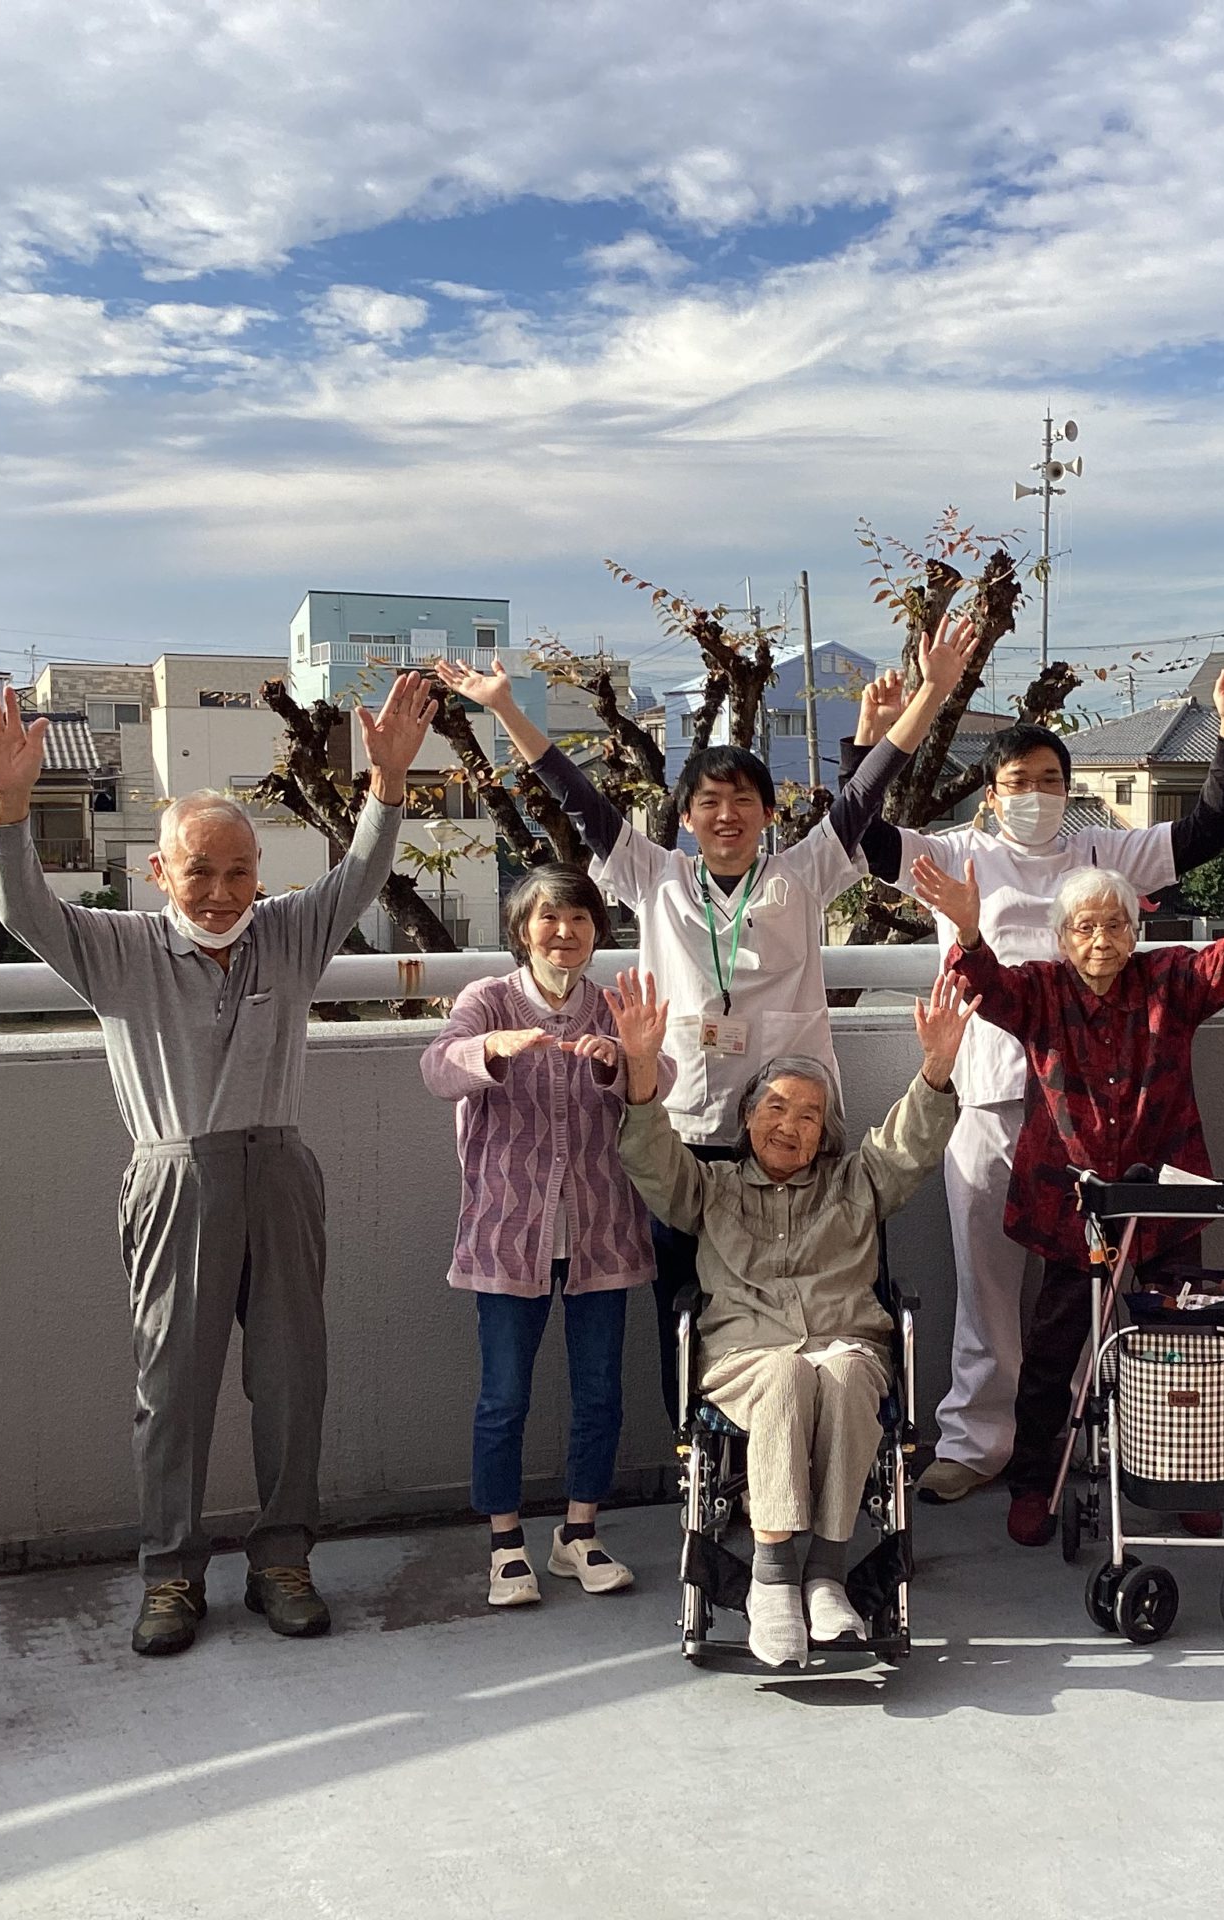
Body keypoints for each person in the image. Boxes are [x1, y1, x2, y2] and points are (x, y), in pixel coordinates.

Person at [0, 674, 436, 1656]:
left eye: (238, 872)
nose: (221, 892)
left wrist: (387, 784)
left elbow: (359, 874)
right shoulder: (116, 949)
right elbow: (22, 910)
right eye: (199, 872)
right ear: (158, 871)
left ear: (260, 873)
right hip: (175, 1179)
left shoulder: (291, 933)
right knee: (172, 1389)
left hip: (280, 1173)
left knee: (293, 1383)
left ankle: (283, 1561)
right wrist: (9, 805)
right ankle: (170, 1574)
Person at [434, 623, 973, 1419]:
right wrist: (508, 708)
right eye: (710, 803)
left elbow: (867, 792)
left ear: (768, 813)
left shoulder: (802, 872)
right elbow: (577, 799)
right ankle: (697, 1454)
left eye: (743, 801)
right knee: (686, 1321)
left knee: (828, 1296)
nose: (727, 815)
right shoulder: (654, 876)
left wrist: (932, 691)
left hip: (795, 1137)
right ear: (686, 816)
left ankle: (825, 1433)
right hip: (687, 1138)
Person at [842, 670, 1224, 1506]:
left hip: (1096, 1110)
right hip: (991, 1094)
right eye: (1017, 781)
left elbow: (1208, 831)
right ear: (991, 793)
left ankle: (1081, 1434)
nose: (1034, 794)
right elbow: (857, 831)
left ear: (1068, 791)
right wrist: (868, 738)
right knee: (988, 1285)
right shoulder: (955, 853)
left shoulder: (1104, 851)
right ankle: (977, 1441)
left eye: (1049, 780)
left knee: (1096, 1284)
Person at [918, 843, 1224, 1546]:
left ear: (1136, 932)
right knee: (1051, 1350)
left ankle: (1187, 1474)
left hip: (1167, 1201)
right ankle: (1034, 1481)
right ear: (1063, 937)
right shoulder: (1040, 990)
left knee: (1183, 1338)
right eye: (1085, 927)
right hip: (1074, 1206)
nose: (1101, 940)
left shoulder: (1169, 981)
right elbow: (984, 985)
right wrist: (970, 931)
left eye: (1115, 925)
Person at [608, 966, 971, 1669]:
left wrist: (935, 1067)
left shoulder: (856, 1182)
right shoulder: (709, 1187)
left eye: (808, 1115)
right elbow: (650, 1159)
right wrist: (643, 1067)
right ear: (747, 1120)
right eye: (774, 1108)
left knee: (844, 1372)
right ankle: (774, 1581)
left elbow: (910, 1146)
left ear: (824, 1133)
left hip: (844, 1348)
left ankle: (826, 1577)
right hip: (745, 1361)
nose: (789, 1125)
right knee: (782, 1371)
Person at [420, 863, 665, 1609]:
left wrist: (627, 1060)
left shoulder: (612, 1003)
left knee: (600, 1394)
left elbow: (662, 1081)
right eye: (549, 919)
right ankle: (505, 1544)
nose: (565, 933)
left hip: (602, 1231)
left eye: (580, 919)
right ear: (522, 930)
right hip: (508, 1231)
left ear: (598, 931)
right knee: (503, 1396)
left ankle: (579, 1532)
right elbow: (437, 1068)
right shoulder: (486, 998)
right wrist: (493, 1047)